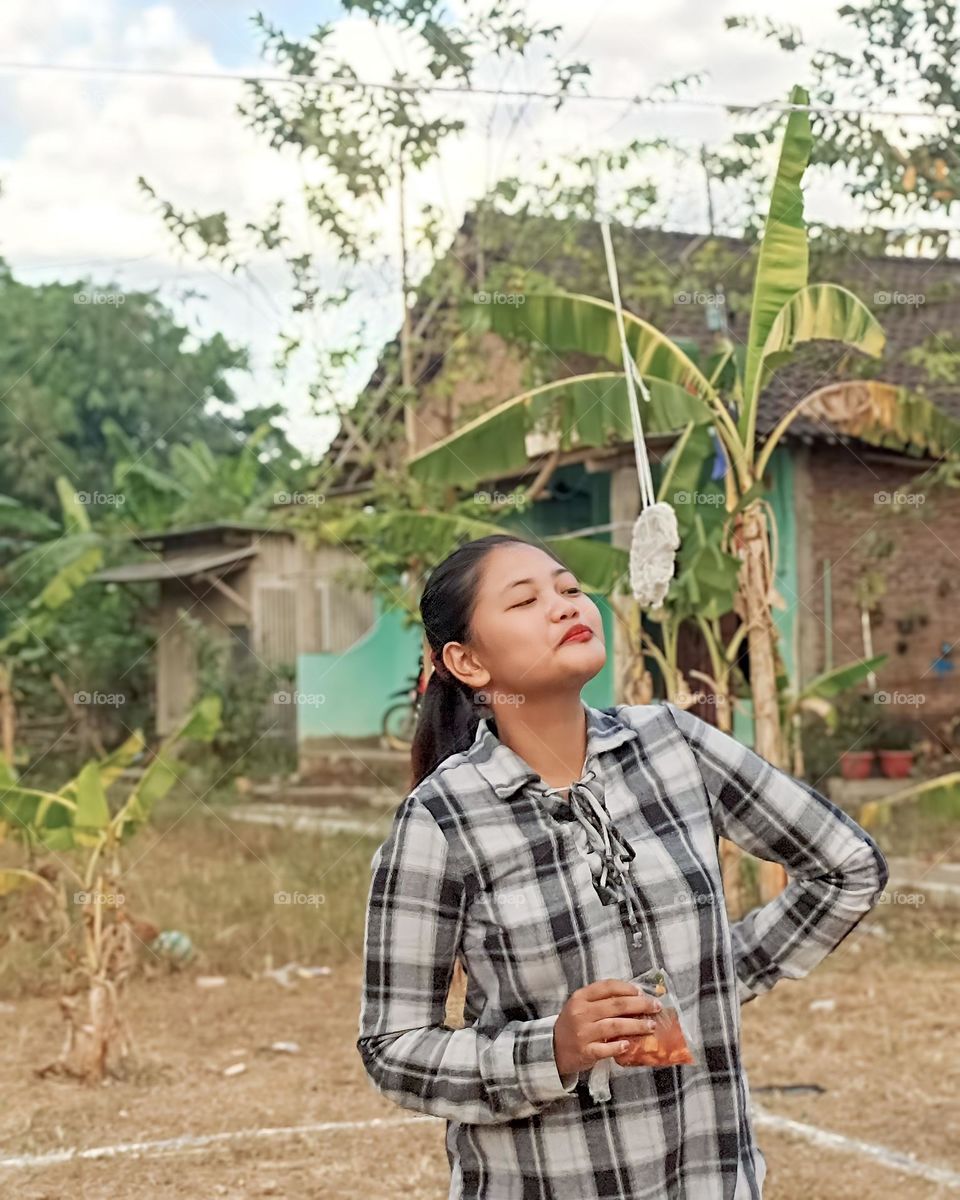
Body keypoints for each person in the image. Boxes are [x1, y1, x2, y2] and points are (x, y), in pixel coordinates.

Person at [356, 533, 889, 1199]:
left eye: (571, 589)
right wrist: (552, 1049)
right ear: (466, 660)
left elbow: (846, 865)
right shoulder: (442, 818)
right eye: (525, 601)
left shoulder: (673, 744)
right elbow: (393, 1047)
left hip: (710, 1181)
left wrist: (717, 977)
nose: (564, 605)